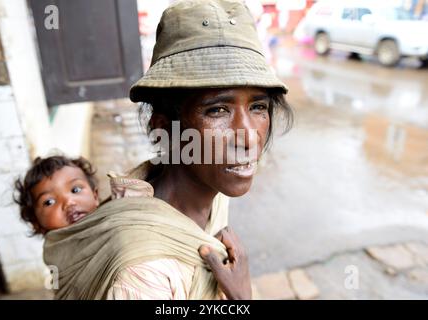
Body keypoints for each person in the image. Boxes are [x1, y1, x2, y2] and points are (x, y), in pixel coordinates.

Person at [43, 0, 292, 300]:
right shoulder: (144, 276)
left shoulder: (212, 191)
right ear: (164, 128)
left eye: (258, 106)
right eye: (217, 110)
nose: (249, 137)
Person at [14, 156, 152, 235]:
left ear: (95, 196)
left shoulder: (115, 225)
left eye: (75, 190)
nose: (68, 202)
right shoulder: (56, 254)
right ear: (36, 223)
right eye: (49, 202)